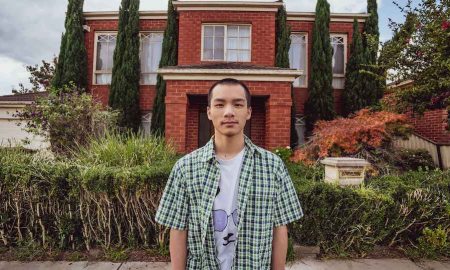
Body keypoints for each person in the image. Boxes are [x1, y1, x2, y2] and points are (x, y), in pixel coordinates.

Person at [155, 78, 303, 270]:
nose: (229, 112)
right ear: (209, 111)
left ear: (248, 111)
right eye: (220, 104)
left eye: (238, 104)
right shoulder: (185, 168)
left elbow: (280, 228)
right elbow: (178, 229)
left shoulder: (272, 166)